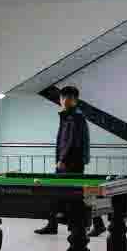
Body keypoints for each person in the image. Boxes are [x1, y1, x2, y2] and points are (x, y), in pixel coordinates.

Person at [35, 86, 104, 236]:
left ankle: (96, 224)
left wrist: (62, 159)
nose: (64, 101)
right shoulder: (70, 115)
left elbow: (72, 141)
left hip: (71, 162)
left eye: (68, 98)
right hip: (70, 160)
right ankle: (53, 224)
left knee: (75, 195)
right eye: (63, 98)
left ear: (74, 100)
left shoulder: (75, 117)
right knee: (66, 194)